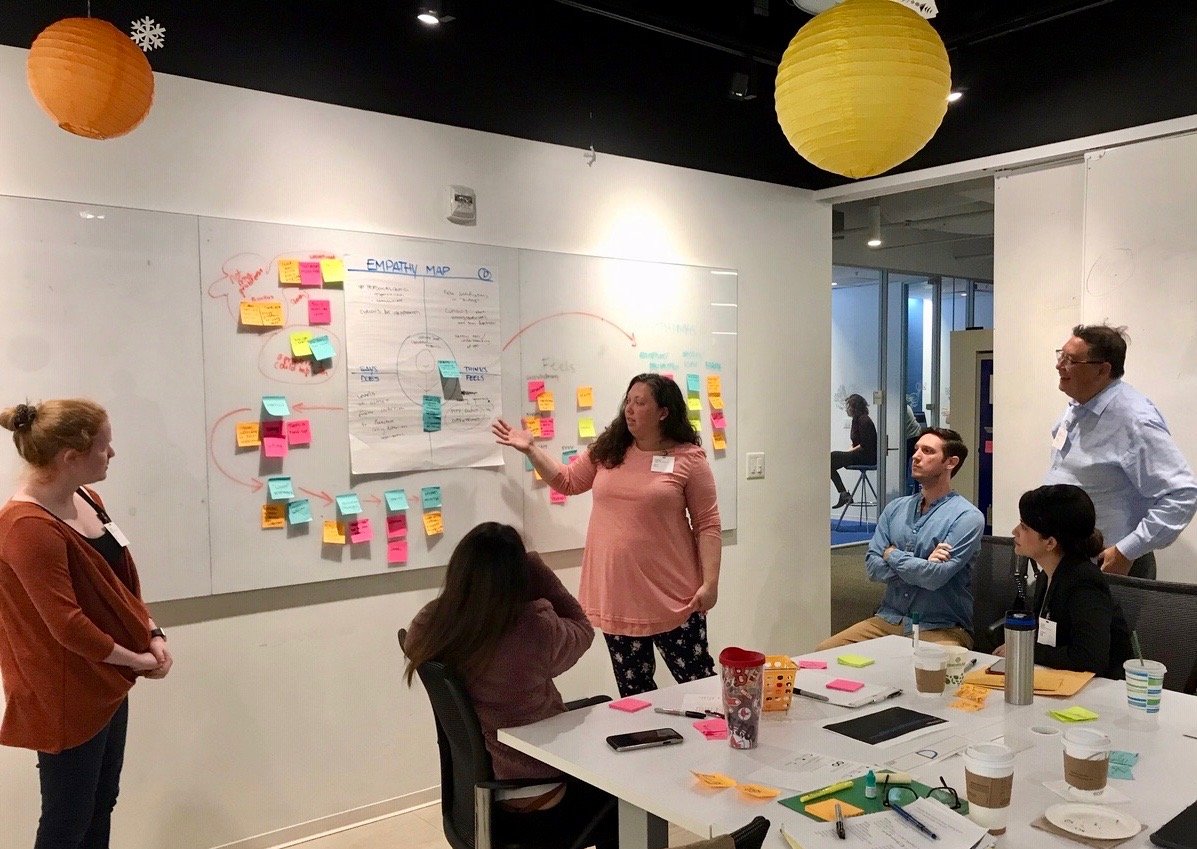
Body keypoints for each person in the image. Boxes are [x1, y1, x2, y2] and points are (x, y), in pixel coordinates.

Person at [0, 399, 173, 849]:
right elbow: (68, 625)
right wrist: (136, 659)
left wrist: (152, 632)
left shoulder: (88, 499)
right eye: (103, 446)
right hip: (66, 691)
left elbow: (118, 585)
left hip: (108, 681)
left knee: (101, 803)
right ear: (70, 458)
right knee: (67, 820)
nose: (112, 453)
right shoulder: (26, 528)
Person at [491, 373, 721, 698]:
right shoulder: (609, 450)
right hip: (618, 598)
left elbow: (707, 524)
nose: (630, 409)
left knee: (699, 685)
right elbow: (567, 481)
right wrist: (531, 450)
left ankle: (718, 732)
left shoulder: (688, 460)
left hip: (675, 598)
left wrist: (710, 584)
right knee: (635, 695)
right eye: (628, 401)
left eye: (640, 403)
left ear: (663, 412)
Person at [403, 523, 615, 841]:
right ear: (518, 576)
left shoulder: (434, 623)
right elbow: (583, 628)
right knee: (623, 794)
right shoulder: (532, 628)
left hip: (480, 794)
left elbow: (412, 640)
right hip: (539, 791)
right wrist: (539, 571)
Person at [1045, 324, 1197, 578]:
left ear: (1102, 370)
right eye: (1061, 356)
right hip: (1067, 559)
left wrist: (1127, 550)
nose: (1059, 366)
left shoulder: (1134, 419)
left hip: (1109, 565)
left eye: (1071, 360)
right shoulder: (1078, 406)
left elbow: (1182, 494)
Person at [818, 427, 984, 649]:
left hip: (939, 627)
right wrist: (922, 564)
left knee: (931, 665)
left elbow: (935, 577)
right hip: (888, 620)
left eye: (927, 451)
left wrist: (891, 554)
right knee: (824, 652)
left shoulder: (967, 517)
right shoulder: (895, 509)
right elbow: (873, 567)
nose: (916, 456)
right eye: (916, 449)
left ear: (950, 462)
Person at [995, 485, 1133, 678]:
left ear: (1050, 542)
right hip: (1059, 679)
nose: (1015, 531)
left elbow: (1089, 660)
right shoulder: (1047, 575)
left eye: (1024, 527)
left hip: (1102, 688)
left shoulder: (1085, 583)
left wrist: (1025, 649)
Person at [830, 393, 878, 509]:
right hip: (860, 454)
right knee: (829, 462)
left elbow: (864, 444)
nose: (846, 409)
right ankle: (843, 494)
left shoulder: (864, 420)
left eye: (848, 406)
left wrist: (848, 453)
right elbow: (856, 442)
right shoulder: (856, 420)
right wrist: (848, 452)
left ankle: (843, 494)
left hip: (867, 457)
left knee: (831, 458)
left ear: (854, 407)